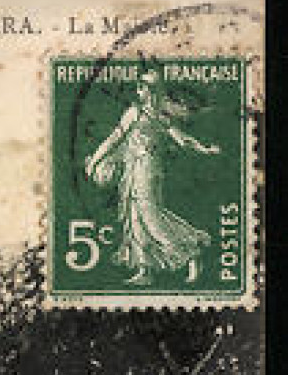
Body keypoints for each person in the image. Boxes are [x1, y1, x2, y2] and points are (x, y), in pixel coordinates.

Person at [84, 71, 221, 284]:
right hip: (133, 169)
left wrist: (205, 149)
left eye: (144, 88)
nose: (140, 91)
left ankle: (191, 252)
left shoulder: (160, 117)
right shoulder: (134, 113)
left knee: (151, 217)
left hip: (148, 169)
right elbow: (115, 139)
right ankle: (145, 269)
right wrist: (95, 160)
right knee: (135, 216)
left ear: (152, 92)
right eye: (139, 87)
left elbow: (182, 140)